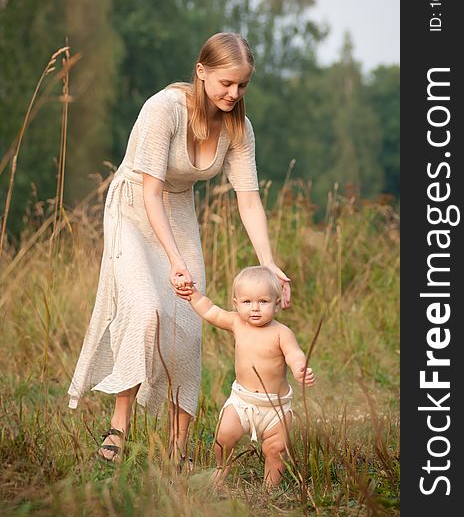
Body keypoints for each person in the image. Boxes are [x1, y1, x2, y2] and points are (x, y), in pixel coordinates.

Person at [67, 32, 291, 463]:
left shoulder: (239, 128)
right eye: (226, 83)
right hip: (134, 208)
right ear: (201, 71)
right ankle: (118, 429)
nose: (234, 93)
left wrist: (269, 264)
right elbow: (151, 192)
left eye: (242, 85)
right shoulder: (163, 109)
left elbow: (248, 197)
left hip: (179, 212)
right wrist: (174, 260)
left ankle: (178, 447)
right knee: (147, 307)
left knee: (186, 322)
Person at [175, 265, 315, 488]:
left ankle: (269, 489)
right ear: (236, 304)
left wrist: (300, 368)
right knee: (223, 436)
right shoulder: (237, 323)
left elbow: (294, 354)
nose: (255, 308)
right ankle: (222, 467)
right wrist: (193, 295)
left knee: (275, 450)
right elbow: (211, 311)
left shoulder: (282, 333)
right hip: (242, 401)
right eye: (247, 302)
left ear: (277, 304)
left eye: (263, 301)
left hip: (275, 408)